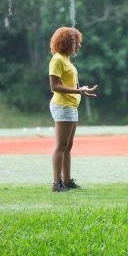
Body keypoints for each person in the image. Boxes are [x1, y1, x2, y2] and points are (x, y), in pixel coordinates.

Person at [48, 27, 97, 192]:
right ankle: (57, 183)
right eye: (76, 42)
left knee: (68, 146)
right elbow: (54, 86)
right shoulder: (57, 60)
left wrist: (82, 90)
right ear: (66, 43)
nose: (79, 46)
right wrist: (78, 91)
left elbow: (70, 85)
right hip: (62, 106)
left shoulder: (67, 61)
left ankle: (67, 181)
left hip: (71, 106)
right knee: (61, 146)